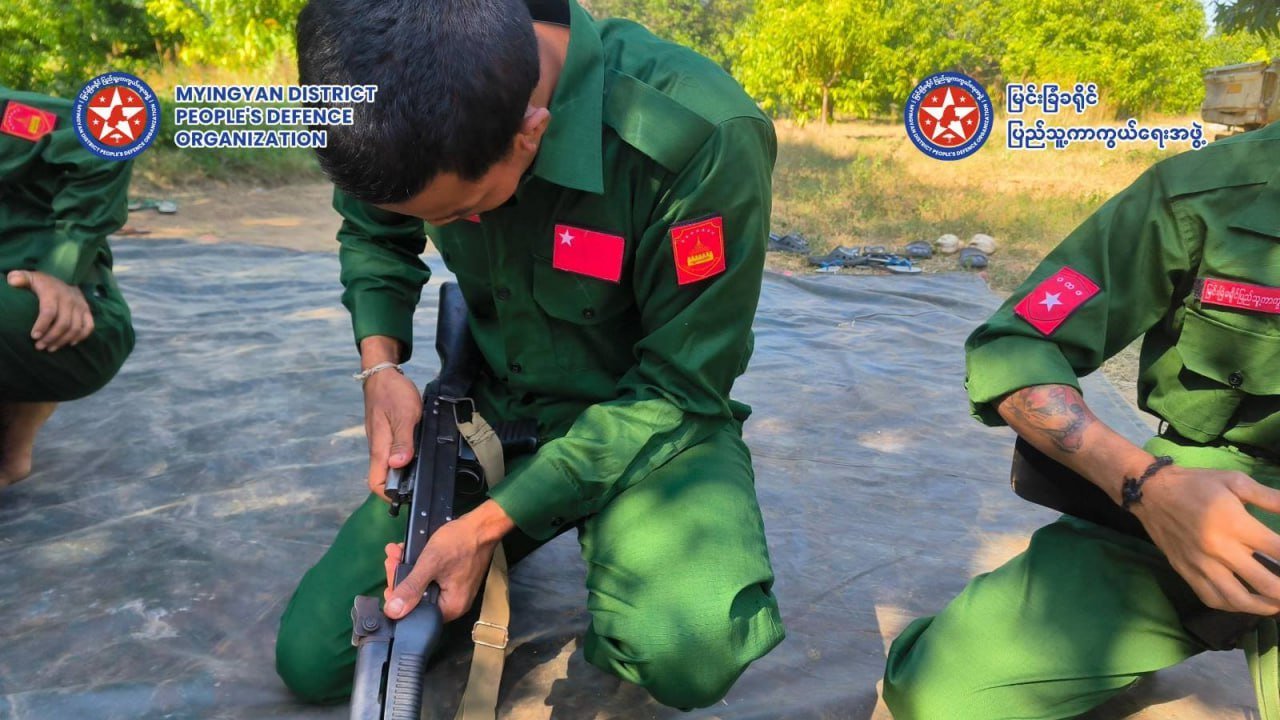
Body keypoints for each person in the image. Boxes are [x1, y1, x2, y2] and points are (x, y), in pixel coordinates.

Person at [275, 0, 785, 709]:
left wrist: (491, 523)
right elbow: (372, 231)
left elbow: (680, 390)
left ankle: (607, 552)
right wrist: (380, 367)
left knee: (686, 647)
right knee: (316, 656)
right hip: (495, 407)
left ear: (530, 133)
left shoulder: (699, 137)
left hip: (651, 423)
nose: (446, 228)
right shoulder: (391, 105)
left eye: (460, 212)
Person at [882, 123, 1280, 718]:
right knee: (940, 697)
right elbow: (1017, 344)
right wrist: (1147, 486)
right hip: (1213, 490)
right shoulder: (1207, 191)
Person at [0, 86, 136, 487]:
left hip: (67, 321)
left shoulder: (9, 117)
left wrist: (59, 268)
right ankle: (12, 445)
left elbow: (106, 138)